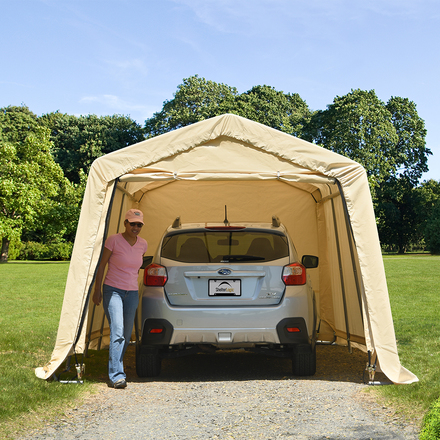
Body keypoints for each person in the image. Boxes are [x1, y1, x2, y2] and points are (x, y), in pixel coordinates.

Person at [92, 208, 148, 389]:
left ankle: (117, 366)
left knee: (125, 334)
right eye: (132, 223)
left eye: (139, 225)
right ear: (125, 223)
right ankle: (116, 375)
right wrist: (97, 290)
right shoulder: (113, 240)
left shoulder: (143, 244)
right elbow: (102, 266)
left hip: (131, 293)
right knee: (117, 330)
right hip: (113, 290)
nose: (135, 227)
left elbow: (136, 266)